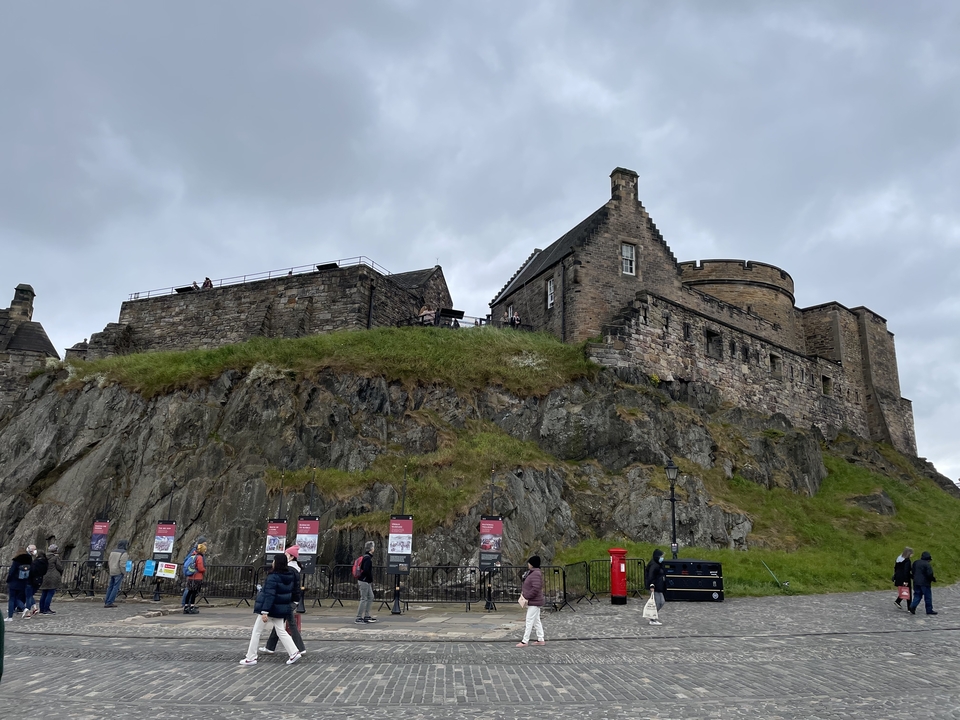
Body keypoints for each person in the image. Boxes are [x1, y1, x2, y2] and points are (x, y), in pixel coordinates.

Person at [239, 553, 301, 666]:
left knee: (256, 632)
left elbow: (270, 595)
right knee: (281, 631)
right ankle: (294, 652)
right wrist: (295, 602)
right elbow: (294, 591)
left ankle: (251, 657)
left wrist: (265, 611)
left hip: (271, 608)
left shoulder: (273, 577)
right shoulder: (289, 575)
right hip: (281, 608)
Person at [262, 545, 306, 656]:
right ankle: (270, 647)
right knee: (279, 624)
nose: (285, 556)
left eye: (286, 554)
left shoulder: (291, 570)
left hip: (288, 601)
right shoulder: (294, 568)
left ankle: (299, 649)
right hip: (290, 600)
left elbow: (292, 587)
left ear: (291, 557)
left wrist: (294, 601)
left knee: (288, 625)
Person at [516, 556, 545, 647]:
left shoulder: (535, 574)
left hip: (534, 601)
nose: (528, 564)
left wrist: (526, 596)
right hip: (535, 601)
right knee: (536, 620)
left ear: (532, 564)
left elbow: (536, 588)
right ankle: (540, 639)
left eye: (529, 563)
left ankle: (525, 641)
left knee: (529, 620)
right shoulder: (534, 573)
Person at [5, 549, 32, 622]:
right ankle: (24, 608)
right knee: (17, 598)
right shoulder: (29, 561)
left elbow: (11, 572)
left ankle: (10, 616)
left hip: (14, 582)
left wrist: (8, 580)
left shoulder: (16, 561)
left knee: (12, 599)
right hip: (23, 582)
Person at [354, 541, 377, 624]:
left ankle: (366, 616)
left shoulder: (366, 557)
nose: (374, 548)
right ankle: (359, 617)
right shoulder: (367, 558)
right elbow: (366, 570)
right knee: (364, 598)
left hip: (365, 581)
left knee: (371, 597)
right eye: (373, 547)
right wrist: (370, 578)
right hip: (364, 581)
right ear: (371, 548)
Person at [181, 536, 207, 609]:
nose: (205, 545)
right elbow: (200, 567)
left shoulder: (195, 552)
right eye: (204, 543)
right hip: (195, 574)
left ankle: (187, 605)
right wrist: (203, 569)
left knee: (190, 590)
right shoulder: (197, 553)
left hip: (192, 573)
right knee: (191, 590)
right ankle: (187, 604)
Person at [909, 551, 938, 615]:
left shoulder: (916, 562)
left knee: (917, 595)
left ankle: (912, 606)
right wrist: (933, 579)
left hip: (916, 582)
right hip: (925, 583)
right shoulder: (927, 564)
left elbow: (913, 571)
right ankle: (929, 610)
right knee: (927, 597)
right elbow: (929, 574)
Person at [103, 539, 129, 608]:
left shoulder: (112, 552)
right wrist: (124, 572)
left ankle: (107, 601)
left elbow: (109, 561)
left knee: (110, 587)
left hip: (112, 571)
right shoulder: (124, 553)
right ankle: (110, 602)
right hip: (118, 572)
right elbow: (122, 565)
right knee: (115, 587)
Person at [39, 544, 63, 614]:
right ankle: (47, 609)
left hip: (44, 576)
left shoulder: (43, 557)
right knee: (50, 593)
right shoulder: (55, 558)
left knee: (44, 593)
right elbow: (59, 567)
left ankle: (42, 609)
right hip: (53, 577)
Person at [645, 549, 667, 626]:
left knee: (662, 601)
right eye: (661, 556)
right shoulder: (654, 565)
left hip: (659, 586)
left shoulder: (658, 564)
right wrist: (651, 585)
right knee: (657, 602)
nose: (662, 558)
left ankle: (653, 616)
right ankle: (652, 618)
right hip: (655, 586)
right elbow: (651, 576)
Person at [26, 545, 48, 617]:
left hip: (32, 580)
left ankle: (28, 610)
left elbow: (32, 571)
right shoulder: (45, 562)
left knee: (28, 596)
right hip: (39, 580)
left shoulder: (36, 562)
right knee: (30, 595)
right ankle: (34, 608)